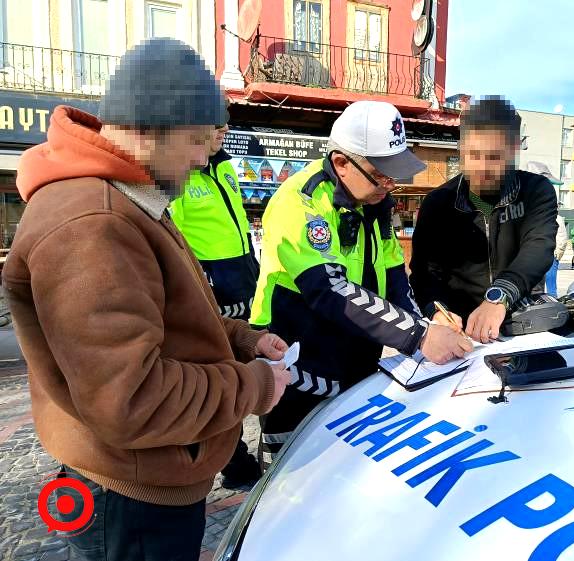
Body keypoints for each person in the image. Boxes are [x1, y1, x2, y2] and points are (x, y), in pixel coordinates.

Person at [1, 38, 290, 561]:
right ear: (155, 123)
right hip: (130, 495)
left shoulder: (126, 198)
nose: (205, 157)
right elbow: (132, 399)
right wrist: (254, 385)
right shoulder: (94, 221)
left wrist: (244, 340)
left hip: (146, 478)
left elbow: (166, 316)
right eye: (199, 140)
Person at [250, 100, 471, 468]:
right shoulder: (300, 201)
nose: (390, 184)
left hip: (355, 358)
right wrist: (418, 335)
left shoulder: (375, 203)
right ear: (341, 163)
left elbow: (395, 278)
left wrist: (428, 324)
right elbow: (329, 290)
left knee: (345, 469)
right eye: (380, 174)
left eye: (394, 174)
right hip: (297, 360)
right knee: (288, 474)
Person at [409, 96, 558, 343]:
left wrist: (499, 297)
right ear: (461, 148)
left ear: (514, 150)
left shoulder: (536, 191)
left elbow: (539, 247)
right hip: (462, 332)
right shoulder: (438, 203)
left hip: (522, 325)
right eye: (474, 155)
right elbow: (424, 274)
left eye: (494, 157)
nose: (482, 167)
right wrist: (436, 311)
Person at [170, 122, 264, 489]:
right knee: (217, 381)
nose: (223, 130)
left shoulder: (223, 164)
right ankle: (233, 462)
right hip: (209, 293)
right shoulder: (179, 172)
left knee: (242, 377)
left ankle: (239, 456)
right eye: (215, 124)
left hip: (243, 284)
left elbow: (238, 224)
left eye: (226, 123)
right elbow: (174, 236)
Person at [545, 213, 568, 297]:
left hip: (551, 253)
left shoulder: (557, 219)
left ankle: (552, 297)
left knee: (550, 278)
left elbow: (562, 238)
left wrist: (558, 252)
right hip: (540, 252)